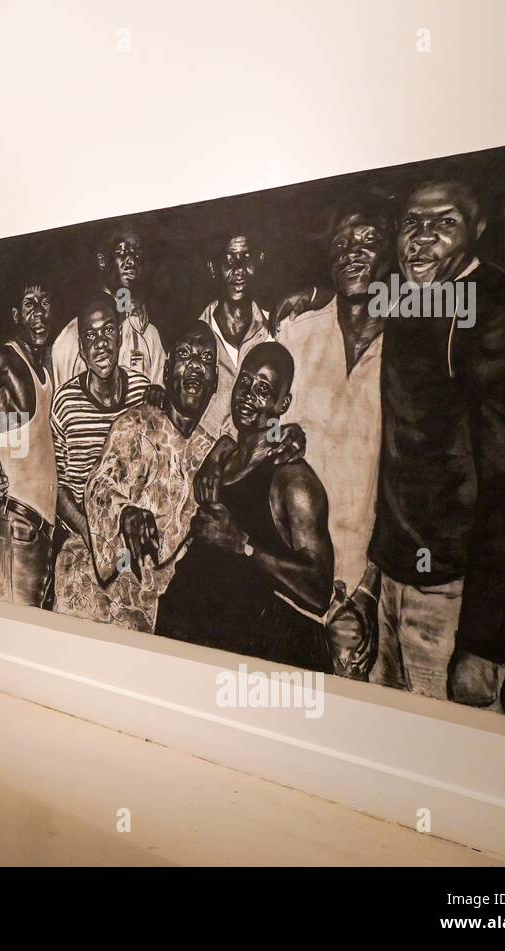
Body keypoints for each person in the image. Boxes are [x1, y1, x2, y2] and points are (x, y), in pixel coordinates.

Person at [347, 179, 505, 708]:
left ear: (478, 231)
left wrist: (481, 641)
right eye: (412, 224)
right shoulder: (408, 295)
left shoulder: (496, 308)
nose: (422, 239)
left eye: (444, 223)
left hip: (455, 592)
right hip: (393, 579)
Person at [163, 343, 336, 673]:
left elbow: (318, 590)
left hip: (253, 651)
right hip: (197, 635)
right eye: (244, 382)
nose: (247, 396)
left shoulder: (293, 481)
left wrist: (242, 544)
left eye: (263, 389)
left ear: (282, 404)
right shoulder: (223, 457)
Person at [277, 197, 394, 676]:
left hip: (362, 592)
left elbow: (410, 485)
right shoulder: (296, 333)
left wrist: (370, 588)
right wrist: (274, 439)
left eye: (368, 240)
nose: (352, 251)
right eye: (342, 243)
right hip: (288, 582)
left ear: (393, 255)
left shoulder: (408, 352)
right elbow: (254, 420)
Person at [81, 323, 220, 631]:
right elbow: (99, 486)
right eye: (184, 354)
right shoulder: (135, 423)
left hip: (156, 614)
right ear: (167, 369)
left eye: (206, 358)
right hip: (96, 602)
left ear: (214, 382)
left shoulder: (213, 453)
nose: (196, 364)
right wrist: (124, 513)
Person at [50, 296, 151, 619]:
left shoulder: (143, 392)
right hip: (83, 545)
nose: (100, 344)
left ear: (121, 336)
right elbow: (59, 487)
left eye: (108, 331)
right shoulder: (65, 403)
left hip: (137, 549)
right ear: (81, 348)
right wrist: (93, 535)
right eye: (90, 337)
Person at [0, 282, 57, 607]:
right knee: (13, 630)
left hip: (42, 530)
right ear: (15, 315)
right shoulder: (5, 360)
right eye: (29, 304)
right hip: (18, 527)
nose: (38, 312)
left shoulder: (44, 365)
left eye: (44, 302)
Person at [51, 226, 165, 389]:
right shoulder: (69, 340)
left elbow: (159, 403)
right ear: (102, 261)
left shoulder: (148, 333)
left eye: (136, 253)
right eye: (122, 252)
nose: (132, 261)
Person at [195, 233, 273, 437]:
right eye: (229, 260)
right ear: (213, 268)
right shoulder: (193, 340)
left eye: (246, 258)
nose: (238, 269)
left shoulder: (278, 331)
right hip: (203, 462)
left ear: (260, 260)